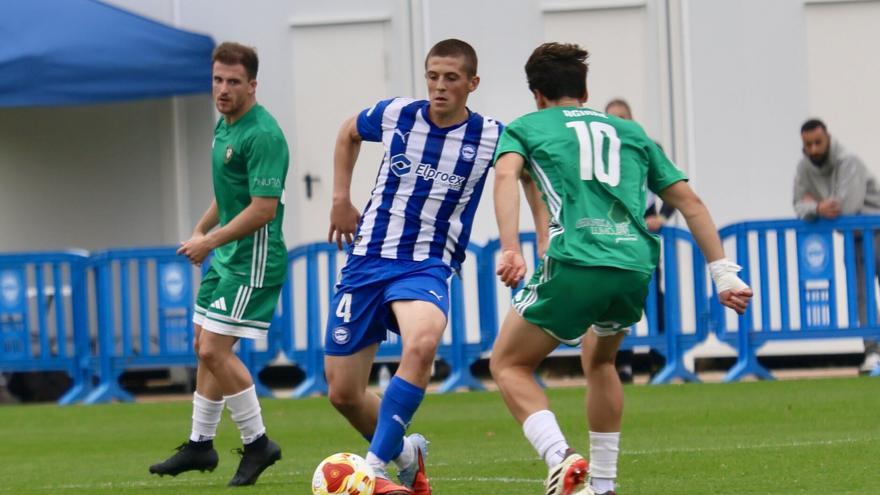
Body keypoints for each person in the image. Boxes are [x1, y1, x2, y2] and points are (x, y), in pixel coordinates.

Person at [489, 42, 753, 495]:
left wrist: (511, 247)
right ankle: (604, 484)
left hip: (577, 261)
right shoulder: (630, 132)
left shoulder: (526, 127)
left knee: (508, 364)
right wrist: (723, 274)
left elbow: (506, 175)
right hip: (632, 266)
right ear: (585, 91)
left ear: (537, 94)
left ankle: (560, 456)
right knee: (601, 360)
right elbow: (690, 202)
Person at [324, 39, 503, 495]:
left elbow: (524, 173)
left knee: (422, 343)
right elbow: (347, 132)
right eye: (433, 76)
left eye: (451, 78)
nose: (439, 86)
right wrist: (341, 199)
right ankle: (406, 455)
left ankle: (373, 470)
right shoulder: (397, 114)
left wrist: (530, 241)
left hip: (425, 264)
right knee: (343, 393)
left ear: (472, 83)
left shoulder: (490, 136)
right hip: (367, 259)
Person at [149, 42, 288, 486]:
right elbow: (228, 192)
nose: (223, 89)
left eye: (233, 82)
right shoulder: (225, 125)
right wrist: (200, 229)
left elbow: (262, 209)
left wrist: (208, 241)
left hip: (253, 261)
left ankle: (258, 443)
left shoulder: (263, 134)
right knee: (202, 345)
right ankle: (200, 444)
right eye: (217, 80)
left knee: (214, 350)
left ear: (252, 85)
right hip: (228, 256)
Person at [793, 118, 880, 373]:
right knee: (862, 295)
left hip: (876, 230)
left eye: (818, 142)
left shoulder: (849, 161)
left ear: (828, 139)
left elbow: (846, 208)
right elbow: (798, 205)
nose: (813, 149)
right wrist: (819, 207)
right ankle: (874, 351)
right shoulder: (803, 168)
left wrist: (814, 206)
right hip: (855, 239)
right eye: (808, 144)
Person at [604, 98, 676, 382]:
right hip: (613, 231)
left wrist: (663, 216)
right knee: (616, 299)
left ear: (632, 119)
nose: (618, 122)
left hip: (644, 233)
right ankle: (622, 363)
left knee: (652, 296)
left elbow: (673, 185)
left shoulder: (648, 147)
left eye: (623, 117)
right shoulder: (600, 151)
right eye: (612, 117)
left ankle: (660, 360)